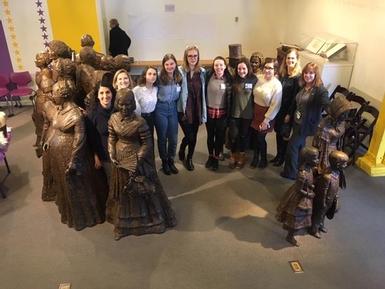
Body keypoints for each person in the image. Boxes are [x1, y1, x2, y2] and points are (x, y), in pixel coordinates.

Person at [107, 88, 177, 240]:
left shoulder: (140, 122)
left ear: (132, 104)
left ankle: (152, 220)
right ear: (117, 104)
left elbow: (147, 143)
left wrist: (137, 159)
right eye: (121, 104)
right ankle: (123, 225)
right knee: (123, 194)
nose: (125, 108)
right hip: (119, 160)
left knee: (143, 192)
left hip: (137, 159)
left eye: (128, 104)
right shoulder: (113, 119)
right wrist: (111, 153)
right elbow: (111, 138)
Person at [44, 79, 108, 230]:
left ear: (63, 94)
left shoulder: (75, 115)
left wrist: (74, 161)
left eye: (54, 92)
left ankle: (87, 216)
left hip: (73, 157)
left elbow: (80, 139)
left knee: (79, 187)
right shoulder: (60, 110)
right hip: (60, 157)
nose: (52, 95)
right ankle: (71, 214)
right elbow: (56, 128)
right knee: (67, 187)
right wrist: (50, 140)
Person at [281, 62, 330, 180]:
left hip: (306, 124)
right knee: (299, 147)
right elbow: (296, 101)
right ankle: (299, 169)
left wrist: (332, 112)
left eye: (311, 73)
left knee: (292, 148)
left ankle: (291, 173)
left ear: (316, 75)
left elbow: (326, 104)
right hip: (297, 121)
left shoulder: (320, 90)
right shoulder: (303, 86)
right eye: (306, 73)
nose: (307, 75)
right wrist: (289, 114)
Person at [276, 146, 319, 246]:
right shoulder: (302, 174)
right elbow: (298, 189)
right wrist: (309, 194)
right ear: (307, 159)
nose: (317, 161)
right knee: (296, 218)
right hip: (299, 198)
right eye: (315, 158)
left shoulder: (310, 170)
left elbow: (308, 183)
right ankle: (290, 236)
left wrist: (311, 186)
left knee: (299, 217)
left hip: (305, 194)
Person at [177, 45, 207, 171]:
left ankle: (189, 157)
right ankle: (184, 150)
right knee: (190, 136)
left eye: (195, 55)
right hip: (183, 110)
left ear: (198, 56)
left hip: (197, 109)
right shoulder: (180, 71)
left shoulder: (203, 72)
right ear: (186, 57)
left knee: (193, 135)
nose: (193, 58)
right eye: (190, 56)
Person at [250, 57, 282, 169]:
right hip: (255, 111)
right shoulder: (258, 78)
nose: (267, 70)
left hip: (266, 114)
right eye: (266, 67)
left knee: (260, 138)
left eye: (270, 68)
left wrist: (266, 120)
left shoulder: (277, 85)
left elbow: (275, 105)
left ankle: (263, 159)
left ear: (275, 70)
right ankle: (255, 157)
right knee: (254, 136)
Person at [271, 49, 302, 167]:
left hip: (288, 110)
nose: (290, 60)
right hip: (279, 108)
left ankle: (282, 158)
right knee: (278, 132)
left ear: (297, 60)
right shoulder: (283, 74)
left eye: (293, 58)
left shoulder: (297, 78)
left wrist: (289, 114)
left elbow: (295, 98)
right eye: (288, 58)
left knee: (284, 134)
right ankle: (278, 155)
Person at [154, 53, 182, 175]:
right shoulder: (159, 77)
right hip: (161, 109)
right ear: (163, 65)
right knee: (162, 137)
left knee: (173, 137)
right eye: (167, 64)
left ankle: (171, 160)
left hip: (173, 109)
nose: (169, 66)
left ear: (175, 64)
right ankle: (164, 161)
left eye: (172, 63)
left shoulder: (178, 76)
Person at [310, 150, 348, 239]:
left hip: (330, 198)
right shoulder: (326, 177)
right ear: (338, 164)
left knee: (324, 214)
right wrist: (322, 202)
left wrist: (336, 196)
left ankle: (321, 225)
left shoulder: (337, 173)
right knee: (318, 214)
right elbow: (322, 191)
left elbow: (337, 186)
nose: (346, 165)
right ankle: (314, 229)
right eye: (344, 163)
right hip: (323, 200)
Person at [228, 57, 257, 169]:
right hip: (235, 113)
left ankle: (242, 155)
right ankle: (233, 154)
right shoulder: (233, 79)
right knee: (233, 135)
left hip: (247, 114)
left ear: (248, 68)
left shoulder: (253, 79)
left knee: (244, 136)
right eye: (239, 68)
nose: (241, 71)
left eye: (243, 68)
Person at [86, 74, 116, 182]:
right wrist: (96, 156)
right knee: (112, 181)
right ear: (97, 96)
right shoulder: (92, 114)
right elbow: (91, 139)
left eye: (107, 92)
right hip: (105, 155)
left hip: (120, 153)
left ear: (112, 93)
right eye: (101, 93)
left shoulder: (118, 109)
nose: (105, 96)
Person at [204, 56, 232, 171]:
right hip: (209, 112)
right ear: (213, 66)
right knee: (210, 136)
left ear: (225, 66)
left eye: (221, 65)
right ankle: (210, 156)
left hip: (223, 114)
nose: (219, 67)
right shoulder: (207, 76)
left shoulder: (229, 80)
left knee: (220, 137)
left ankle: (216, 158)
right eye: (216, 65)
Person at [312, 96, 351, 172]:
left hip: (335, 149)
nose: (346, 116)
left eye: (347, 114)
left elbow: (340, 139)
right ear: (337, 113)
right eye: (344, 114)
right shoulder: (324, 126)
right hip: (325, 151)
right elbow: (321, 147)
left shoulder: (341, 123)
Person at [132, 66, 158, 139]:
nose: (152, 76)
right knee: (143, 140)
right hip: (141, 118)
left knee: (151, 139)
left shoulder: (156, 88)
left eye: (154, 74)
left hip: (152, 117)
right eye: (149, 74)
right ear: (144, 75)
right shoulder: (137, 90)